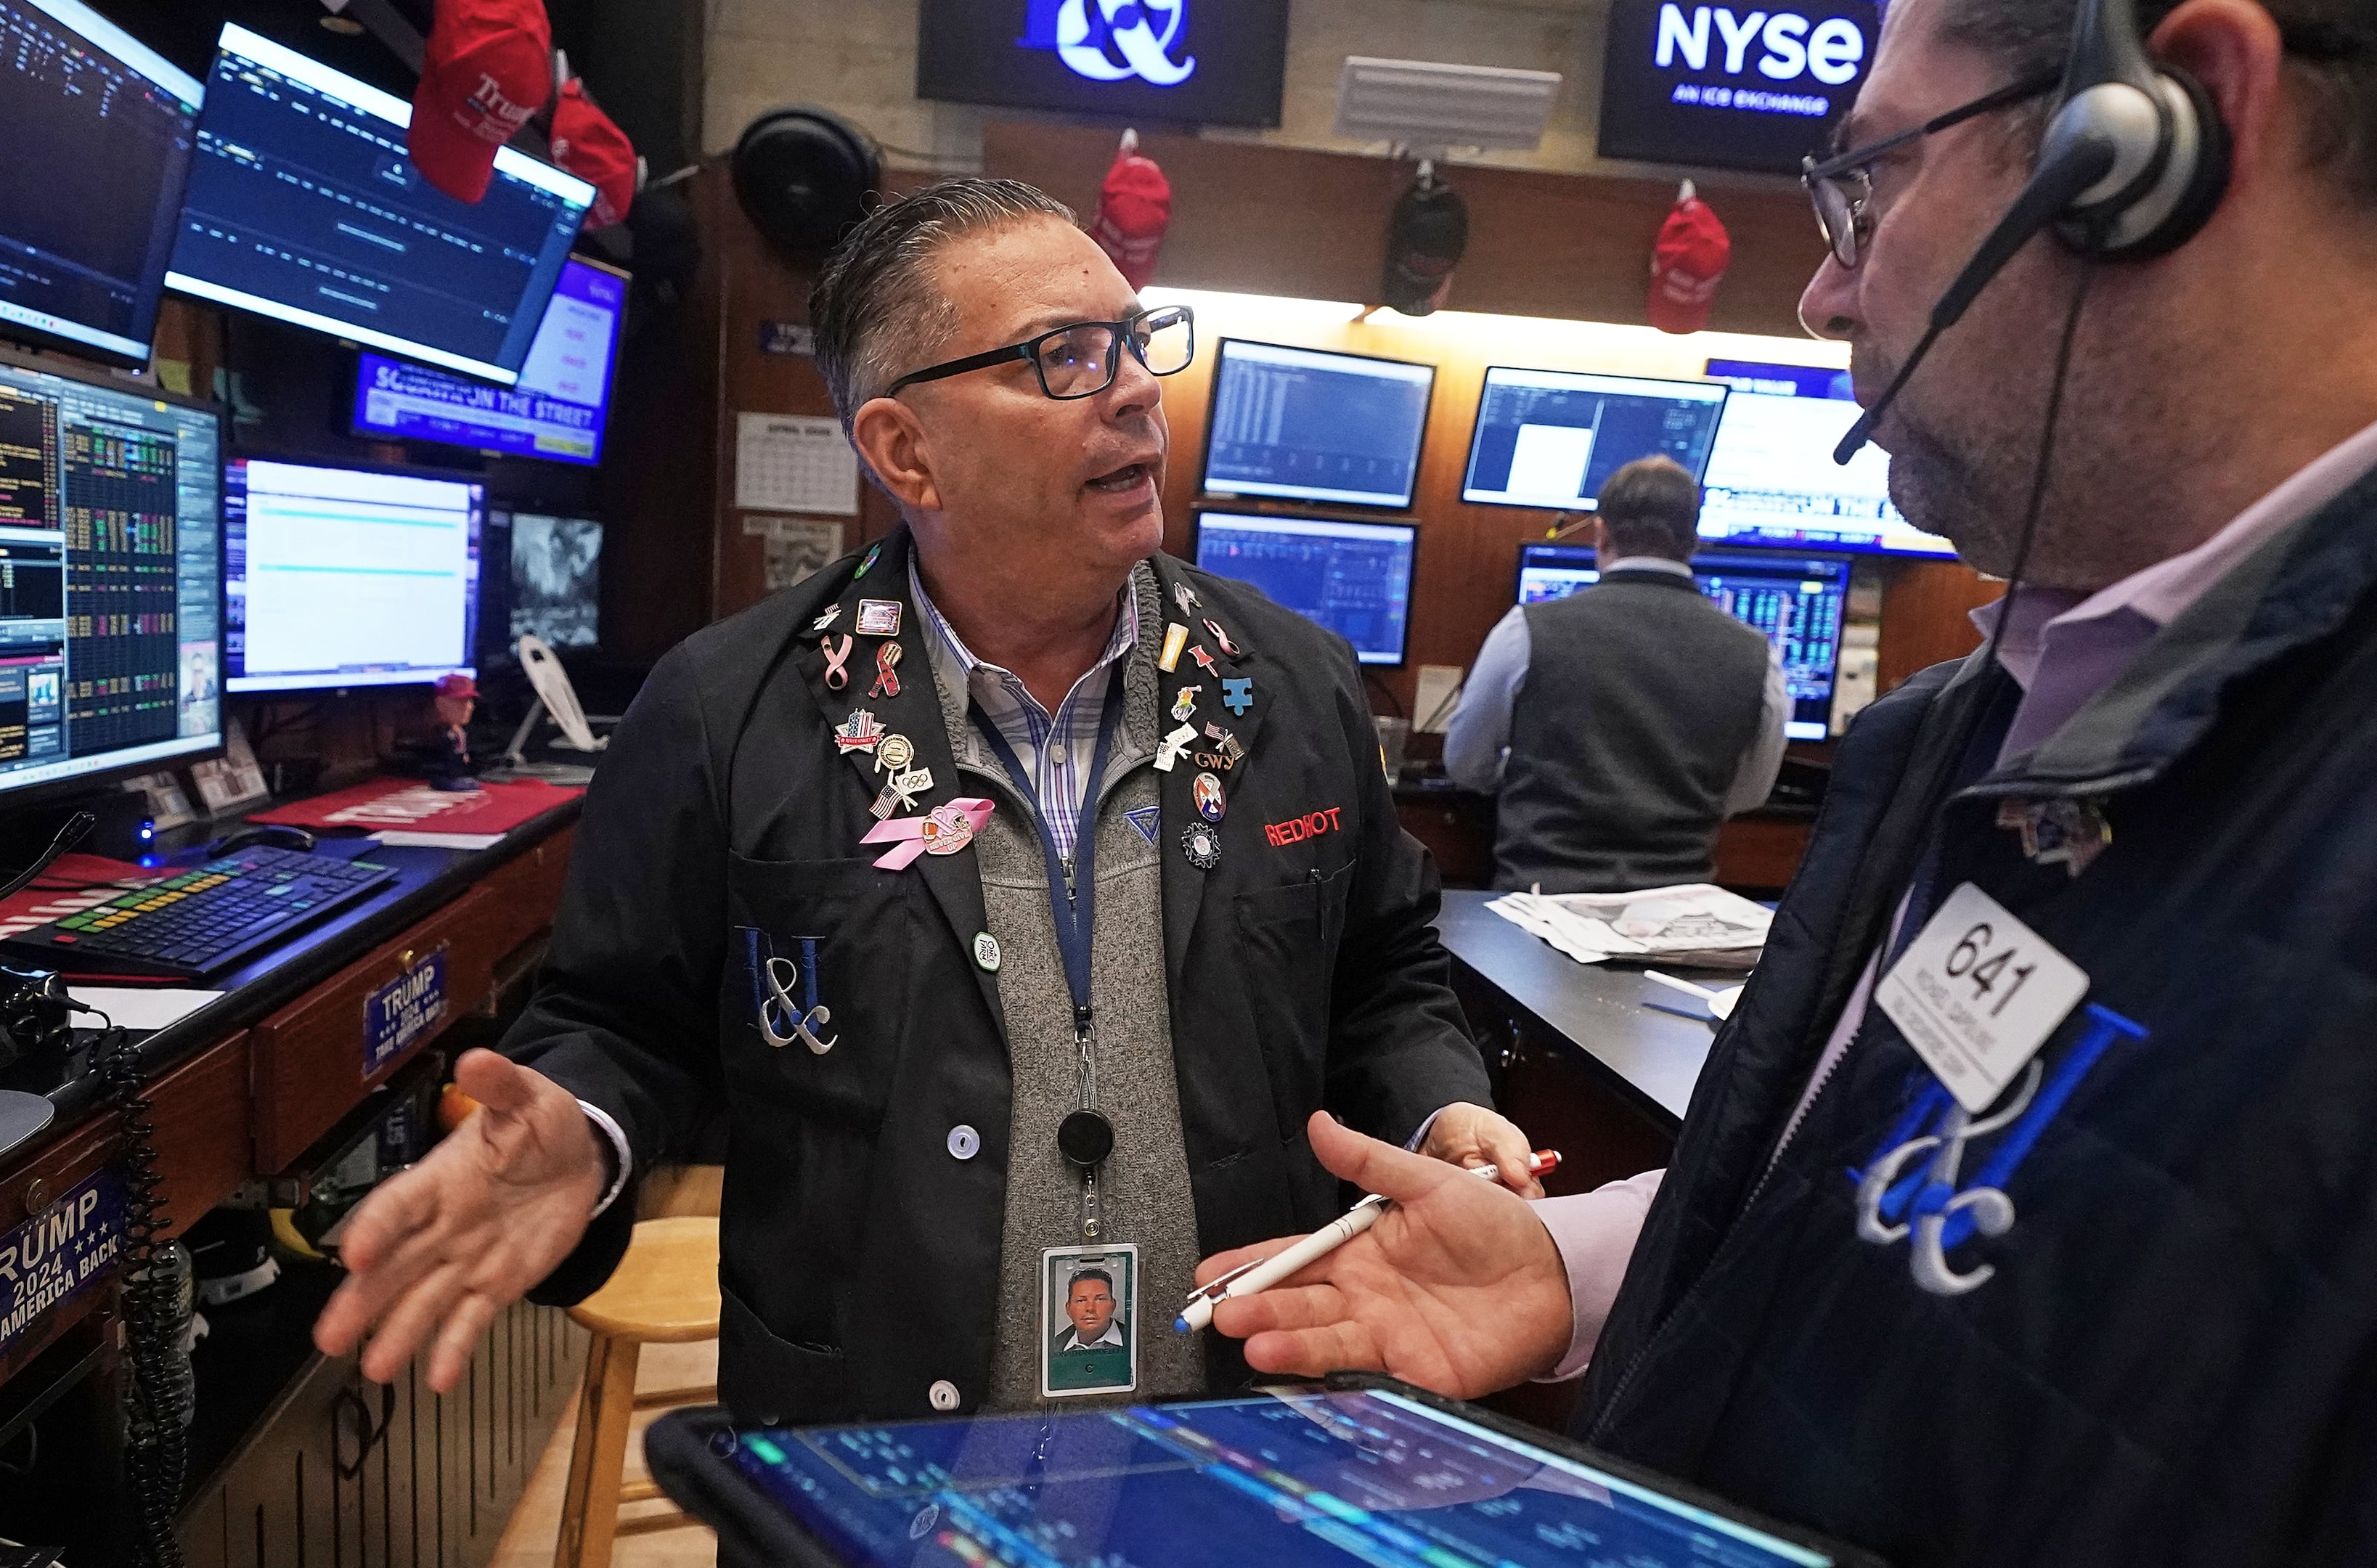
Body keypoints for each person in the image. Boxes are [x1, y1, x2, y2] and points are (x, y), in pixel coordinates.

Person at [1202, 0, 2377, 1560]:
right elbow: (1913, 1221)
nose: (1822, 294)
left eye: (1867, 191)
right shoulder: (1972, 724)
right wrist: (1580, 1262)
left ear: (2165, 139)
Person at [314, 178, 1539, 1428]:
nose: (1132, 388)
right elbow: (625, 1021)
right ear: (907, 450)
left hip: (1243, 1426)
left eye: (1132, 340)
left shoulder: (1292, 683)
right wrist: (585, 1127)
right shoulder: (725, 708)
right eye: (1062, 357)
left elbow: (1386, 976)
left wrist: (1448, 1113)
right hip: (878, 1437)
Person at [1441, 455, 1789, 892]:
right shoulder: (1758, 654)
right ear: (1694, 540)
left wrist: (1531, 773)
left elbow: (1465, 765)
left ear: (1601, 532)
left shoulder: (1526, 630)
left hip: (1539, 906)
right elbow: (1750, 793)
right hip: (1677, 916)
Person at [1049, 1269, 1132, 1392]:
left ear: (1113, 1305)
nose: (1090, 1308)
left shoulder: (1135, 1342)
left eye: (1100, 1299)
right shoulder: (1052, 1347)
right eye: (1081, 1301)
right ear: (1068, 1308)